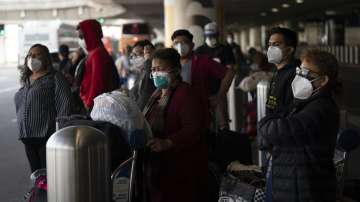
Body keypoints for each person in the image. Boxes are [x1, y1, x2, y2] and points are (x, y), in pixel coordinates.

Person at [258, 49, 340, 202]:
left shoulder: (320, 108)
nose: (299, 76)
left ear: (323, 80)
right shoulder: (305, 103)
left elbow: (278, 131)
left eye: (305, 72)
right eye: (299, 71)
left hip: (305, 190)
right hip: (295, 186)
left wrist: (264, 126)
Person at [143, 48, 207, 202]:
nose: (156, 73)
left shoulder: (186, 94)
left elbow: (194, 129)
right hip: (159, 165)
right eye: (153, 69)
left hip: (180, 167)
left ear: (176, 70)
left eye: (161, 69)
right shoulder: (157, 93)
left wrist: (168, 142)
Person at [14, 44, 73, 173]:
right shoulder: (27, 80)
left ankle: (48, 193)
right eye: (30, 55)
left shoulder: (55, 78)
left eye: (36, 55)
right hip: (27, 137)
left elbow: (65, 107)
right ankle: (38, 192)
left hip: (45, 137)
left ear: (45, 58)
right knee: (36, 175)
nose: (32, 58)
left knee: (48, 175)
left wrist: (60, 134)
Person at [172, 29, 235, 130]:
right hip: (175, 111)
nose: (180, 46)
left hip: (198, 111)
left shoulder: (202, 61)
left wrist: (219, 96)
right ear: (172, 46)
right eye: (176, 43)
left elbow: (229, 73)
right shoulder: (169, 64)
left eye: (184, 42)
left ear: (192, 45)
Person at [195, 22, 236, 129]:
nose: (211, 38)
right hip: (202, 93)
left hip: (219, 91)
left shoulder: (225, 50)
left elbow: (230, 70)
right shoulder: (199, 51)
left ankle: (223, 143)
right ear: (205, 36)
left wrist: (220, 94)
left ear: (218, 35)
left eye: (213, 36)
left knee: (222, 124)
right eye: (208, 36)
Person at [77, 19, 119, 111]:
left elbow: (97, 82)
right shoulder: (95, 52)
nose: (80, 41)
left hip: (96, 105)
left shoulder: (97, 54)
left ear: (90, 35)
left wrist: (89, 103)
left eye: (82, 37)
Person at [266, 27, 299, 115]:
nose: (270, 48)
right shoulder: (279, 72)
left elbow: (290, 110)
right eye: (269, 44)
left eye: (276, 44)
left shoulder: (295, 75)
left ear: (289, 50)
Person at [129, 40, 156, 110]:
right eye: (133, 55)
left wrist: (148, 62)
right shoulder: (140, 73)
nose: (134, 58)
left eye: (139, 53)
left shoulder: (152, 72)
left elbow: (146, 93)